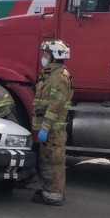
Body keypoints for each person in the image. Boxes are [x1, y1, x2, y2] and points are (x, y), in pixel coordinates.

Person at [30, 39, 74, 206]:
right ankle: (49, 191)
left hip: (53, 130)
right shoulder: (51, 75)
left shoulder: (59, 77)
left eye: (46, 55)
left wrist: (45, 127)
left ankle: (53, 196)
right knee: (47, 160)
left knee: (54, 162)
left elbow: (54, 106)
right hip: (50, 130)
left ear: (54, 57)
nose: (43, 58)